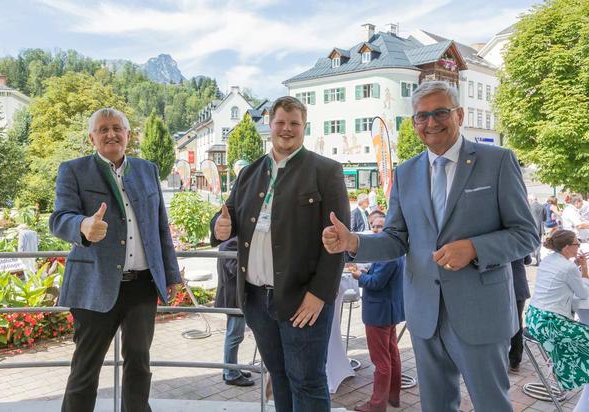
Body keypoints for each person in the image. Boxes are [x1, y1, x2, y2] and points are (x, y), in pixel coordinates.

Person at [321, 81, 539, 412]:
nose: (431, 122)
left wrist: (474, 248)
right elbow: (396, 238)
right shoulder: (406, 173)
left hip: (480, 312)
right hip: (424, 314)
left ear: (460, 114)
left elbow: (526, 234)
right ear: (413, 123)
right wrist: (353, 242)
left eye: (440, 112)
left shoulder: (497, 161)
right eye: (422, 116)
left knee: (492, 404)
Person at [210, 96, 350, 411]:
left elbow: (337, 243)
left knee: (308, 382)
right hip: (257, 300)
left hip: (304, 299)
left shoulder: (326, 171)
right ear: (270, 125)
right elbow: (227, 217)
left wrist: (319, 294)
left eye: (294, 124)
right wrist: (219, 228)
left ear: (304, 127)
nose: (286, 130)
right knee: (279, 376)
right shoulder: (249, 173)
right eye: (280, 123)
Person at [49, 108, 181, 412]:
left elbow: (161, 227)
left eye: (117, 128)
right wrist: (83, 226)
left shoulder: (147, 170)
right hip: (93, 286)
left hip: (142, 286)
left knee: (139, 365)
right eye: (104, 129)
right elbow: (59, 218)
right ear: (92, 137)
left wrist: (171, 275)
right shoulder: (73, 170)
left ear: (128, 135)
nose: (111, 134)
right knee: (85, 369)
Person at [348, 211, 404, 412]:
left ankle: (377, 404)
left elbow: (377, 283)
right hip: (389, 310)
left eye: (380, 226)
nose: (377, 229)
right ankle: (393, 397)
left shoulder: (387, 252)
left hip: (379, 312)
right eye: (374, 226)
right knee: (392, 354)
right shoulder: (395, 248)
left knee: (381, 360)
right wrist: (365, 273)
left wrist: (358, 276)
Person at [525, 230, 589, 394]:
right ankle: (563, 372)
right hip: (549, 322)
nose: (579, 246)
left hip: (533, 317)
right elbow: (583, 293)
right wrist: (583, 267)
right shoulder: (568, 267)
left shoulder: (548, 260)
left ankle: (562, 369)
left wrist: (576, 266)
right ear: (567, 247)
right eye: (577, 243)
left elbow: (559, 279)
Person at [215, 237, 254, 387]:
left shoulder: (230, 240)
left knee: (233, 335)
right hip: (234, 297)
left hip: (233, 296)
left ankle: (230, 369)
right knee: (234, 336)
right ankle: (231, 373)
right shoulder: (232, 242)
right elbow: (235, 268)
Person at [508, 255, 532, 372]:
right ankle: (514, 361)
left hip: (506, 288)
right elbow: (528, 260)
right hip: (518, 287)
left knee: (507, 324)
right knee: (517, 323)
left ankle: (511, 359)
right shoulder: (517, 240)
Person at [528, 195, 545, 265]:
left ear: (532, 200)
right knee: (538, 244)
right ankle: (538, 260)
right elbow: (545, 218)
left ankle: (531, 259)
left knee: (531, 243)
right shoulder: (542, 206)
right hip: (540, 228)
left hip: (531, 227)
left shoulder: (529, 207)